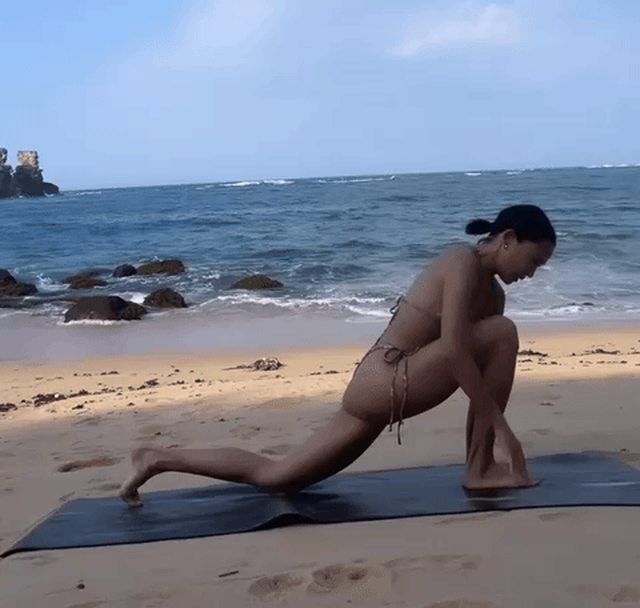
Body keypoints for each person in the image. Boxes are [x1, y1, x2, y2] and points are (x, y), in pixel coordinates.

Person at [120, 204, 556, 507]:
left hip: (387, 387)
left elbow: (470, 367)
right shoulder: (461, 262)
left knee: (279, 477)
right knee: (503, 333)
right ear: (507, 239)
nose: (532, 274)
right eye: (533, 260)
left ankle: (157, 458)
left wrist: (495, 426)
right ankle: (479, 468)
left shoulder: (494, 295)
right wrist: (504, 432)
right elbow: (457, 350)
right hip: (385, 378)